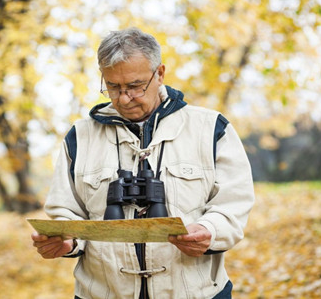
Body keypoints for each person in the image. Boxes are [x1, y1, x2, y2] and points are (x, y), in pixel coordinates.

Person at [31, 27, 255, 299]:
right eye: (112, 86)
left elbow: (233, 203)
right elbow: (66, 211)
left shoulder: (211, 128)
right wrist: (66, 240)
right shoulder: (80, 137)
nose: (123, 98)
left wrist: (209, 231)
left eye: (135, 86)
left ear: (159, 73)